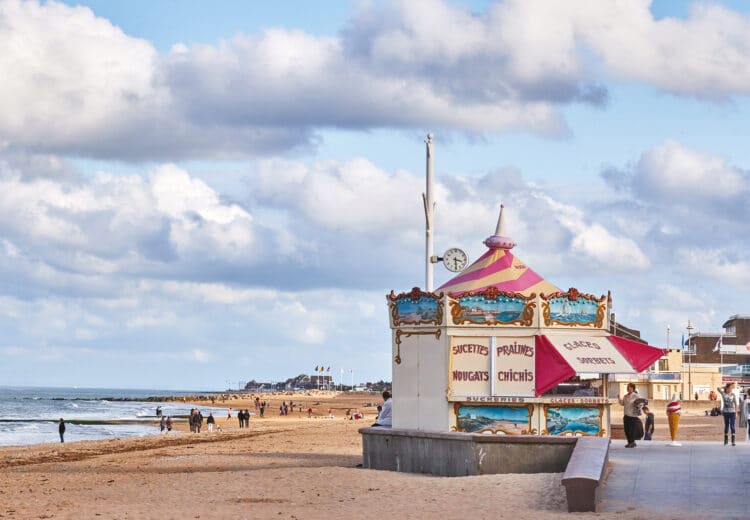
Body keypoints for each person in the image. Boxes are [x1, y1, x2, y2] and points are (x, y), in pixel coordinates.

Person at [618, 383, 641, 448]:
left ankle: (632, 442)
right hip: (626, 415)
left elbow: (640, 404)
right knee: (626, 430)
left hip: (632, 415)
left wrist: (638, 405)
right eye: (627, 387)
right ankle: (629, 442)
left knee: (632, 430)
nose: (628, 388)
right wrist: (619, 398)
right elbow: (622, 403)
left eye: (629, 387)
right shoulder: (625, 396)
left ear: (633, 388)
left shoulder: (636, 396)